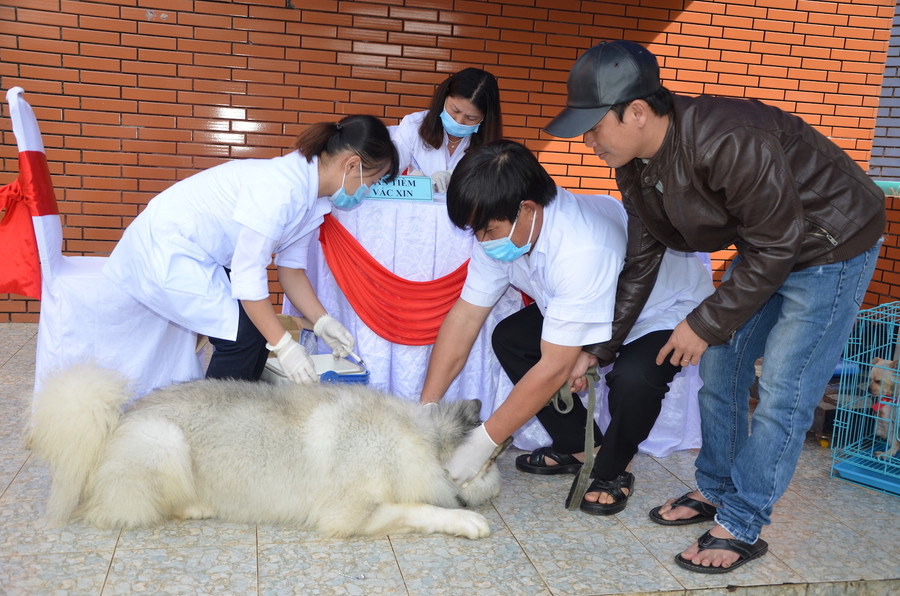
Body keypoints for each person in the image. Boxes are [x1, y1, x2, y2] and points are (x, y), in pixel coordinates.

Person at [544, 40, 885, 573]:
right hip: (771, 245)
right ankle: (718, 489)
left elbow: (777, 244)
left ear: (637, 112)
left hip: (832, 243)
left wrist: (702, 323)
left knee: (783, 389)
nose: (587, 141)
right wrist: (600, 348)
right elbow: (641, 261)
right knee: (721, 366)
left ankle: (742, 523)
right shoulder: (636, 164)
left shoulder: (726, 138)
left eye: (593, 126)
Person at [420, 139, 713, 516]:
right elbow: (464, 318)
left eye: (489, 231)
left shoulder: (579, 246)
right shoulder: (504, 227)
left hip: (658, 309)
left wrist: (483, 443)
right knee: (511, 338)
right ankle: (580, 447)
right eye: (475, 231)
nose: (482, 241)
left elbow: (554, 367)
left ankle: (613, 470)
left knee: (634, 378)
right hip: (592, 299)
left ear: (528, 209)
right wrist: (427, 407)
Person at [104, 115, 399, 383]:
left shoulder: (314, 202)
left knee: (258, 331)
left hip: (204, 255)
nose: (367, 191)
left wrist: (323, 322)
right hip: (166, 247)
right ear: (351, 165)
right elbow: (248, 274)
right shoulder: (281, 188)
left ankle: (238, 411)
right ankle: (213, 418)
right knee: (241, 337)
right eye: (371, 181)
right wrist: (284, 346)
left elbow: (291, 271)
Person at [391, 67, 502, 192]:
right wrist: (410, 183)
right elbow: (387, 173)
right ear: (444, 98)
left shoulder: (491, 145)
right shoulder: (413, 125)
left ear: (485, 118)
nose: (459, 121)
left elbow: (493, 188)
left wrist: (459, 179)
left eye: (471, 118)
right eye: (455, 110)